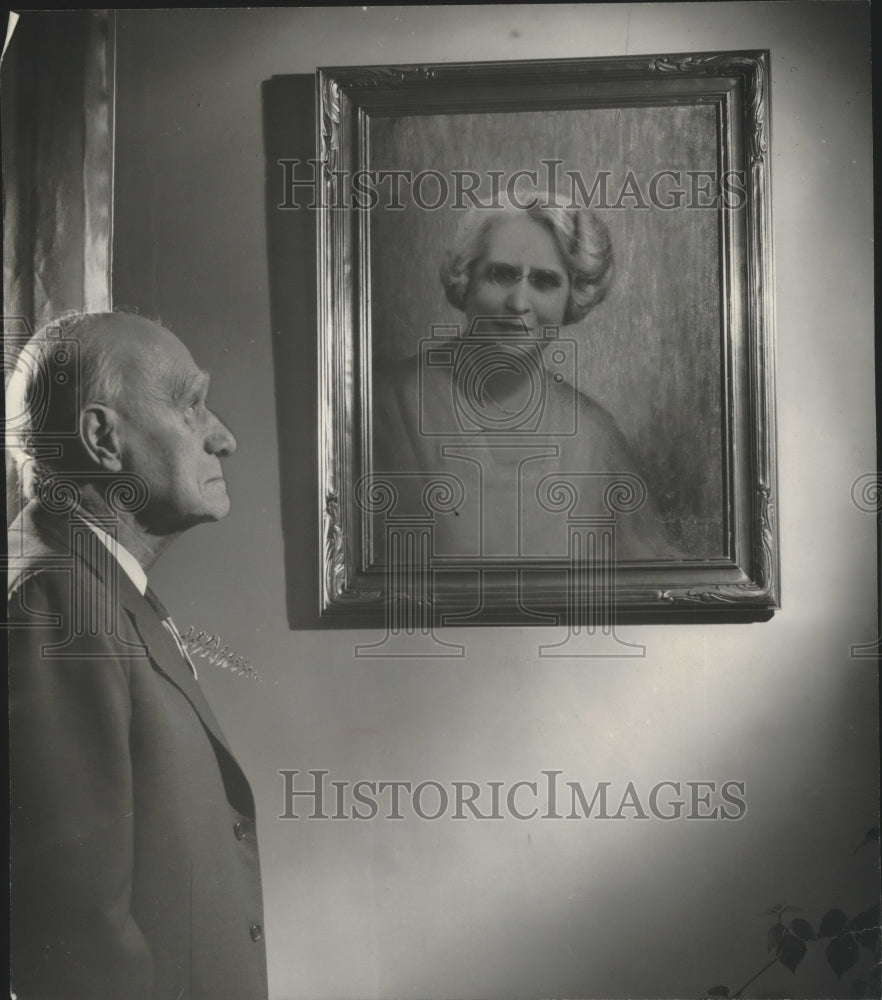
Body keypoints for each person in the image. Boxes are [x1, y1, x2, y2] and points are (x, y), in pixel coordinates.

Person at [6, 312, 268, 1000]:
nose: (224, 436)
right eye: (190, 404)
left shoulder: (94, 583)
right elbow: (77, 941)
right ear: (102, 438)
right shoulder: (58, 598)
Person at [372, 194, 675, 561]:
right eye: (501, 274)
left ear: (573, 297)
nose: (518, 303)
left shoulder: (594, 438)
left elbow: (654, 574)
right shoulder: (386, 407)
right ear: (466, 280)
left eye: (544, 281)